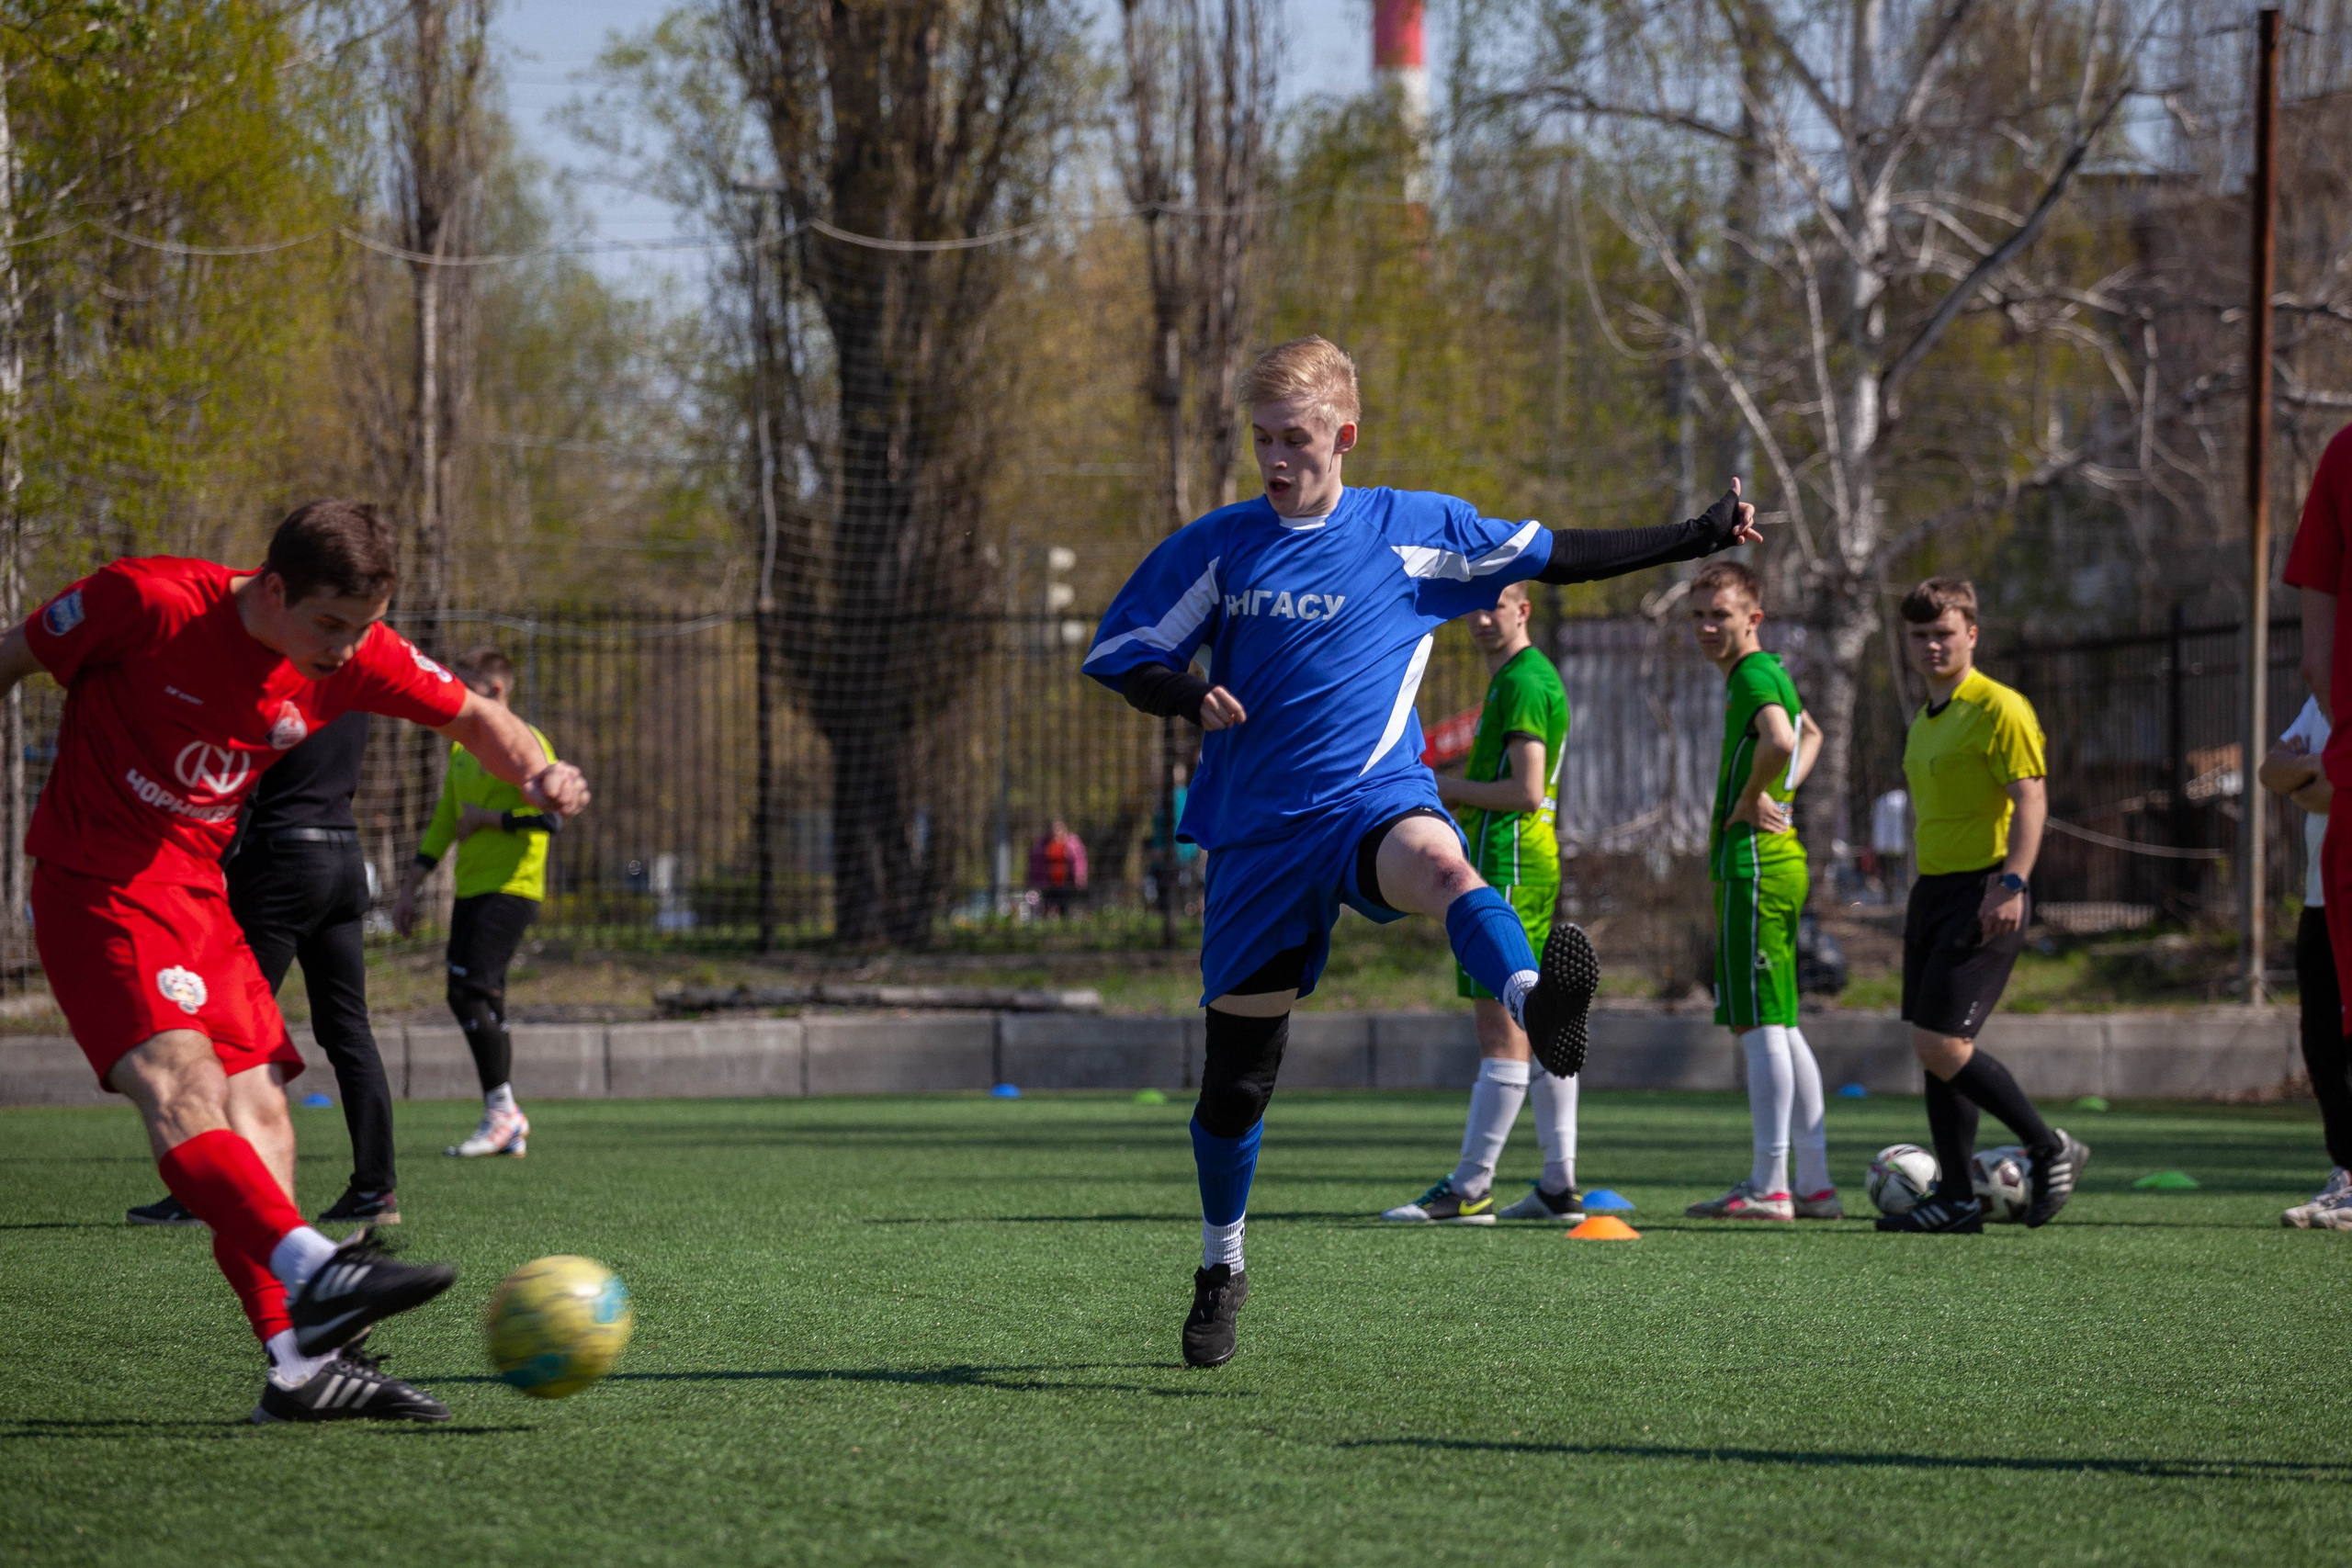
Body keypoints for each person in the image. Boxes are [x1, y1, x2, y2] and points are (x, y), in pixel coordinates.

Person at [1083, 334, 1759, 1366]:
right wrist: (1182, 691)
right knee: (1235, 1085)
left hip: (1370, 802)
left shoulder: (1413, 532)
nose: (1275, 457)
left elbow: (1557, 555)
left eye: (1296, 439)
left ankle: (1535, 999)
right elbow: (1120, 649)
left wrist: (1693, 536)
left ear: (1344, 437)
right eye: (1261, 438)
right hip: (1260, 838)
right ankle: (1221, 1261)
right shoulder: (1220, 545)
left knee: (1447, 868)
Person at [5, 500, 589, 1422]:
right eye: (327, 625)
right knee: (182, 1086)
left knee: (264, 1114)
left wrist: (539, 776)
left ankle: (297, 1367)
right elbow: (10, 659)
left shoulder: (356, 654)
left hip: (200, 896)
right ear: (270, 589)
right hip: (100, 886)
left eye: (362, 629)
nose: (345, 650)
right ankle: (315, 1270)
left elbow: (477, 717)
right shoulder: (146, 603)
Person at [127, 711, 401, 1229]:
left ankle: (203, 1190)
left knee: (220, 1030)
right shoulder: (354, 691)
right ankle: (376, 1189)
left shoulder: (280, 687)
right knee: (349, 1031)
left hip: (281, 861)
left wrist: (214, 862)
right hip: (345, 858)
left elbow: (246, 787)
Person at [1878, 577, 2086, 1234]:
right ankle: (1958, 1199)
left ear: (1972, 633)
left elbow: (2031, 798)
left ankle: (2049, 1147)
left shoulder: (2000, 707)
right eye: (1920, 635)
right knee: (1940, 1048)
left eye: (1944, 632)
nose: (1931, 645)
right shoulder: (1925, 717)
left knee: (1939, 1042)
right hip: (1933, 891)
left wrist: (2014, 883)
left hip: (1985, 887)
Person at [1380, 581, 1586, 1224]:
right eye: (1472, 605)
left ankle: (1471, 1187)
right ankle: (1558, 1184)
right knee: (1545, 1019)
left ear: (1522, 610)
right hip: (1525, 857)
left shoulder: (1524, 679)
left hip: (1511, 858)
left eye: (1493, 604)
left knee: (1504, 1024)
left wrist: (1440, 785)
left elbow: (1525, 791)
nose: (1479, 617)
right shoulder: (1520, 677)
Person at [1679, 560, 1838, 1223]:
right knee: (1781, 1022)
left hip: (1756, 865)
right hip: (1775, 862)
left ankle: (1771, 1184)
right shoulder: (1764, 671)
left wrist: (1755, 798)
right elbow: (1811, 735)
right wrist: (1781, 791)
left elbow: (1781, 737)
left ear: (1754, 617)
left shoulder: (1750, 674)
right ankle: (1816, 1182)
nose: (1709, 626)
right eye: (1699, 615)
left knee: (1758, 1023)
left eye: (1721, 613)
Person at [392, 647, 562, 1160]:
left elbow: (551, 820)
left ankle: (503, 1112)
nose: (458, 699)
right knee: (482, 996)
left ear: (496, 692)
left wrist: (491, 820)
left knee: (467, 992)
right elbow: (447, 819)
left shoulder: (526, 745)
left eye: (468, 688)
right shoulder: (464, 752)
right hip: (472, 887)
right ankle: (505, 1117)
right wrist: (410, 887)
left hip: (512, 888)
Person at [2259, 698, 2352, 1228]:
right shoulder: (2322, 701)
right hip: (2319, 897)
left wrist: (2312, 775)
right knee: (2320, 1039)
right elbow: (2271, 771)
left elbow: (2325, 794)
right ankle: (2346, 1171)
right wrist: (2323, 770)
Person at [1028, 818, 1089, 917]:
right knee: (1046, 907)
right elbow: (1036, 863)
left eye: (1059, 829)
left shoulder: (1072, 844)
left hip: (1066, 882)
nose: (1056, 832)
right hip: (1048, 882)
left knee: (1065, 908)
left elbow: (1079, 862)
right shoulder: (1043, 845)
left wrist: (1080, 877)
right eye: (1053, 829)